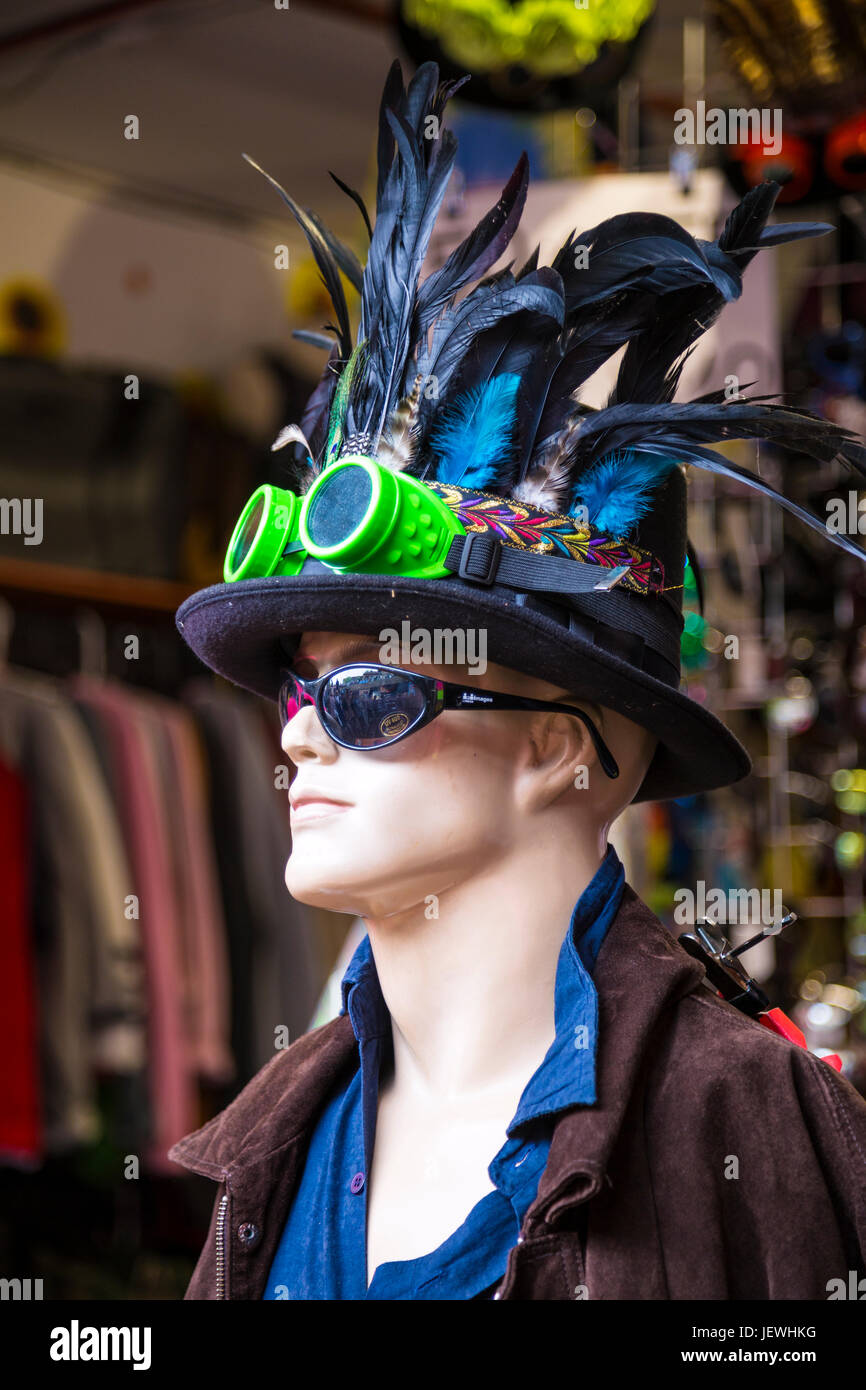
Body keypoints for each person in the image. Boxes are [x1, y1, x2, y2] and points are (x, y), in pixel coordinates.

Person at [169, 61, 866, 1299]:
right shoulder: (269, 1142)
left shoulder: (746, 1122)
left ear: (560, 745)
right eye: (294, 691)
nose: (300, 743)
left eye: (370, 695)